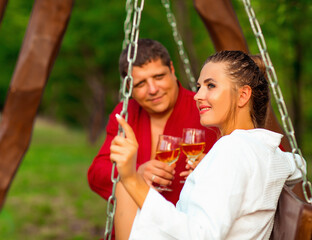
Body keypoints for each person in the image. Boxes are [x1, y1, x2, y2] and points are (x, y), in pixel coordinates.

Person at [110, 50, 305, 239]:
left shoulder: (232, 149)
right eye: (199, 87)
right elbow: (298, 165)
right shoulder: (264, 148)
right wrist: (210, 170)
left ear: (243, 95)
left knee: (125, 188)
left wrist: (131, 178)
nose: (197, 95)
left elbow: (202, 235)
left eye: (210, 86)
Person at [87, 39, 218, 238]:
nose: (153, 89)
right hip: (133, 228)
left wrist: (207, 170)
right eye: (140, 83)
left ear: (172, 70)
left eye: (159, 76)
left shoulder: (206, 111)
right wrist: (134, 173)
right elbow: (97, 173)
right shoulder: (126, 113)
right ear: (129, 86)